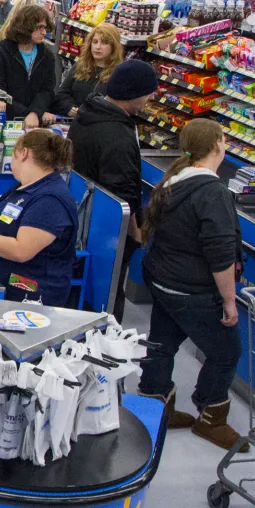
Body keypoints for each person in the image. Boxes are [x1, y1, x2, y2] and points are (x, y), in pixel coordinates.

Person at [135, 118, 245, 449]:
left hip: (163, 280)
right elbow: (220, 255)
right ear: (217, 146)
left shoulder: (172, 182)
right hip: (193, 290)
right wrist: (229, 300)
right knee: (226, 352)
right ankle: (211, 417)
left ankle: (155, 404)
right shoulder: (212, 193)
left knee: (161, 343)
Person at [70, 59, 159, 322]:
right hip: (106, 232)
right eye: (148, 92)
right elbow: (123, 195)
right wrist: (136, 235)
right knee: (108, 300)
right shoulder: (116, 135)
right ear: (132, 93)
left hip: (84, 216)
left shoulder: (90, 112)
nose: (151, 97)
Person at [0, 129, 80, 306]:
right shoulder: (26, 187)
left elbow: (21, 251)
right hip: (2, 291)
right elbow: (5, 223)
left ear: (23, 152)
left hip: (27, 302)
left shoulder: (50, 200)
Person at [0, 1, 58, 129]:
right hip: (6, 122)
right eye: (39, 27)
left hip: (36, 122)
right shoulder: (1, 53)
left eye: (45, 28)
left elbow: (47, 90)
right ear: (26, 27)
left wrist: (35, 112)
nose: (44, 32)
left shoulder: (47, 56)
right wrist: (27, 114)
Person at [53, 23, 122, 118]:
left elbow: (118, 108)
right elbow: (62, 93)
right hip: (74, 122)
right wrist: (69, 107)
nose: (98, 47)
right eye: (95, 42)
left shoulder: (119, 73)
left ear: (114, 47)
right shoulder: (80, 65)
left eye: (104, 43)